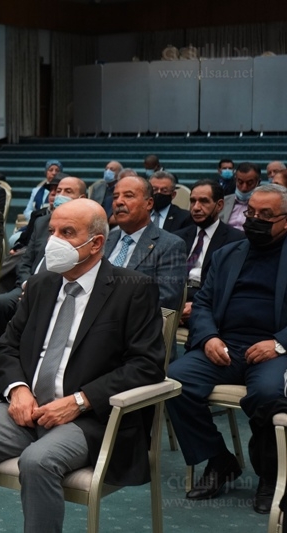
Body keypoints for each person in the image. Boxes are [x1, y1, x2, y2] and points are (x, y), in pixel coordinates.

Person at [0, 198, 165, 533]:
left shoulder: (133, 289)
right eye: (52, 231)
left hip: (91, 418)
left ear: (96, 243)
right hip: (25, 409)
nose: (54, 240)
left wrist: (79, 401)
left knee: (37, 461)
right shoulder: (42, 283)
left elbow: (146, 365)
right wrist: (18, 390)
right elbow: (7, 346)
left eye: (67, 232)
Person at [167, 184, 287, 514]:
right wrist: (208, 337)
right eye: (251, 213)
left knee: (269, 394)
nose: (255, 220)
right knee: (175, 382)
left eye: (266, 215)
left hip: (274, 349)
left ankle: (270, 475)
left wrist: (278, 343)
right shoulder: (227, 254)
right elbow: (203, 302)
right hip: (225, 345)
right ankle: (219, 460)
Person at [0, 178, 88, 372]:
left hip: (57, 289)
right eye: (58, 190)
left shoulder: (82, 230)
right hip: (28, 284)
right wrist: (26, 284)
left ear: (82, 198)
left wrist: (37, 288)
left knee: (34, 309)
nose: (60, 195)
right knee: (1, 304)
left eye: (68, 191)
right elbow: (25, 261)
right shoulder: (41, 222)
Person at [105, 176, 187, 312]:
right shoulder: (105, 240)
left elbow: (165, 299)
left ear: (149, 204)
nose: (119, 202)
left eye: (128, 196)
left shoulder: (170, 245)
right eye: (115, 197)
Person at [172, 180, 244, 325]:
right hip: (174, 304)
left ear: (219, 205)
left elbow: (231, 286)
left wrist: (199, 306)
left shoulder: (236, 241)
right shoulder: (177, 237)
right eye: (193, 201)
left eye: (204, 201)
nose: (196, 208)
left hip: (209, 309)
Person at [220, 162, 261, 231]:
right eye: (240, 182)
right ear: (235, 180)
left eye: (249, 183)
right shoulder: (223, 202)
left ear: (258, 182)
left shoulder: (264, 205)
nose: (244, 188)